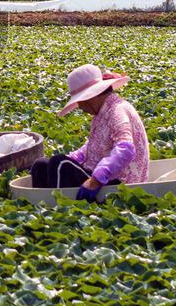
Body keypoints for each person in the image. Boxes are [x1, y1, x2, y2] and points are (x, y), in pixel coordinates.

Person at [30, 64, 149, 202]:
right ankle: (42, 207)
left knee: (60, 164)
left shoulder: (117, 111)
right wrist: (72, 158)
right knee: (41, 165)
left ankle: (59, 210)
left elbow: (126, 149)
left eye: (80, 101)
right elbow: (92, 147)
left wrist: (96, 179)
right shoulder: (102, 113)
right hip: (102, 175)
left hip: (119, 182)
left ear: (92, 96)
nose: (80, 107)